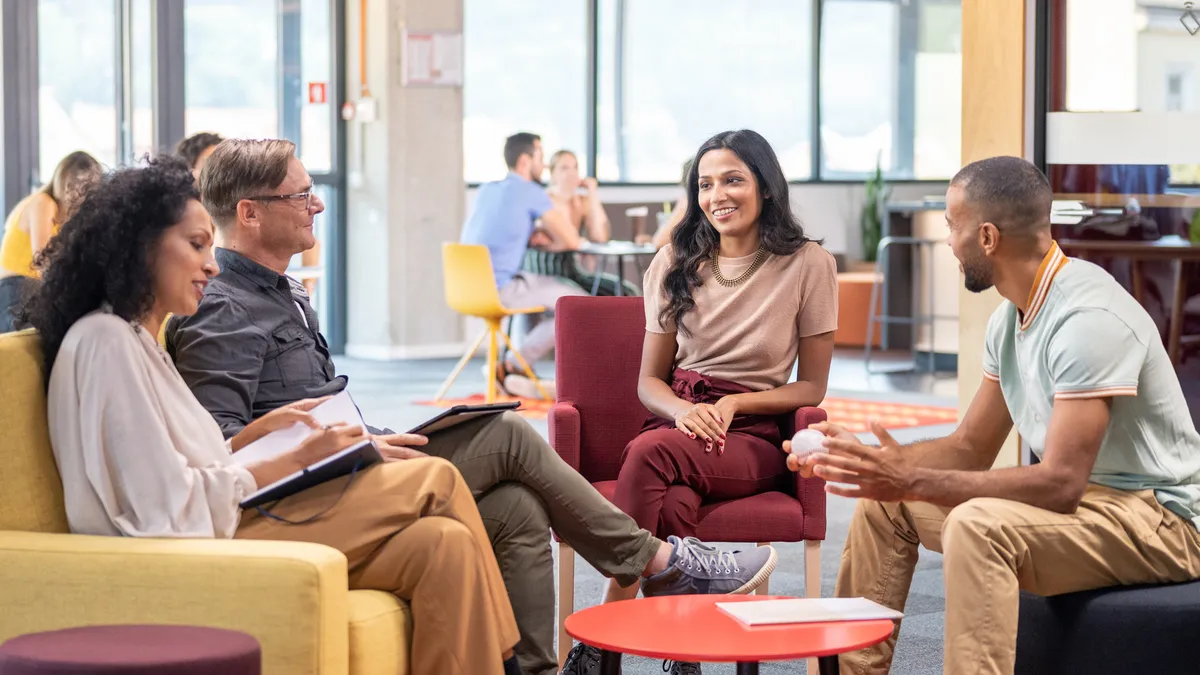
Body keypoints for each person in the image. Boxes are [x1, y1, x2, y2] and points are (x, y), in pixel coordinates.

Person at [164, 138, 778, 675]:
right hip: (312, 494)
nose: (317, 205)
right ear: (249, 213)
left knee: (515, 506)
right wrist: (348, 444)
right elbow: (224, 442)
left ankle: (537, 670)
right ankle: (655, 560)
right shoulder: (225, 307)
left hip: (356, 459)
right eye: (300, 197)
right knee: (509, 434)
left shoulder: (283, 294)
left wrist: (370, 434)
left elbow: (320, 405)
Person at [19, 157, 524, 675]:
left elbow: (178, 468)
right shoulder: (106, 343)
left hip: (217, 523)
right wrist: (291, 461)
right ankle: (510, 665)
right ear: (140, 248)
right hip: (190, 549)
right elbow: (161, 510)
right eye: (196, 246)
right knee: (434, 475)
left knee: (444, 545)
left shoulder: (133, 339)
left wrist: (257, 437)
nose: (212, 266)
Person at [792, 156, 1200, 675]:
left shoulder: (1087, 319)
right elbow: (969, 448)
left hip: (1160, 517)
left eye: (951, 226)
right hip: (1095, 511)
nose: (948, 242)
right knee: (886, 503)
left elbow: (1060, 484)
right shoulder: (1011, 319)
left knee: (978, 526)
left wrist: (911, 476)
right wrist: (868, 464)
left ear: (986, 237)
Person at [582, 129, 838, 674]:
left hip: (753, 432)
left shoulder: (809, 264)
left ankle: (601, 643)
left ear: (765, 186)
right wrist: (683, 412)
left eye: (733, 180)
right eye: (705, 184)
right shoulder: (675, 259)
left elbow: (811, 388)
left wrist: (735, 408)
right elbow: (648, 382)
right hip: (682, 420)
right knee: (671, 505)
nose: (717, 194)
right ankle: (685, 651)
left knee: (648, 457)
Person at [460, 132, 587, 396]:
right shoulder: (531, 192)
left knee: (546, 289)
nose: (543, 166)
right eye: (540, 158)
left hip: (468, 288)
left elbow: (495, 230)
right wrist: (554, 241)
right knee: (579, 306)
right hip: (501, 290)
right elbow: (573, 240)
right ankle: (512, 366)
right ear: (524, 161)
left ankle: (513, 368)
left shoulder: (487, 190)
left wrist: (529, 235)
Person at [0, 151, 102, 332]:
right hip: (15, 288)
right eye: (78, 184)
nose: (81, 192)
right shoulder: (44, 204)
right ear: (63, 182)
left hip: (25, 289)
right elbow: (44, 262)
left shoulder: (64, 222)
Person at [546, 149, 610, 244]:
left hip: (575, 256)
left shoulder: (582, 201)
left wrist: (592, 191)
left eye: (575, 167)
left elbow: (600, 237)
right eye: (564, 168)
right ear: (552, 174)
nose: (572, 173)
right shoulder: (545, 200)